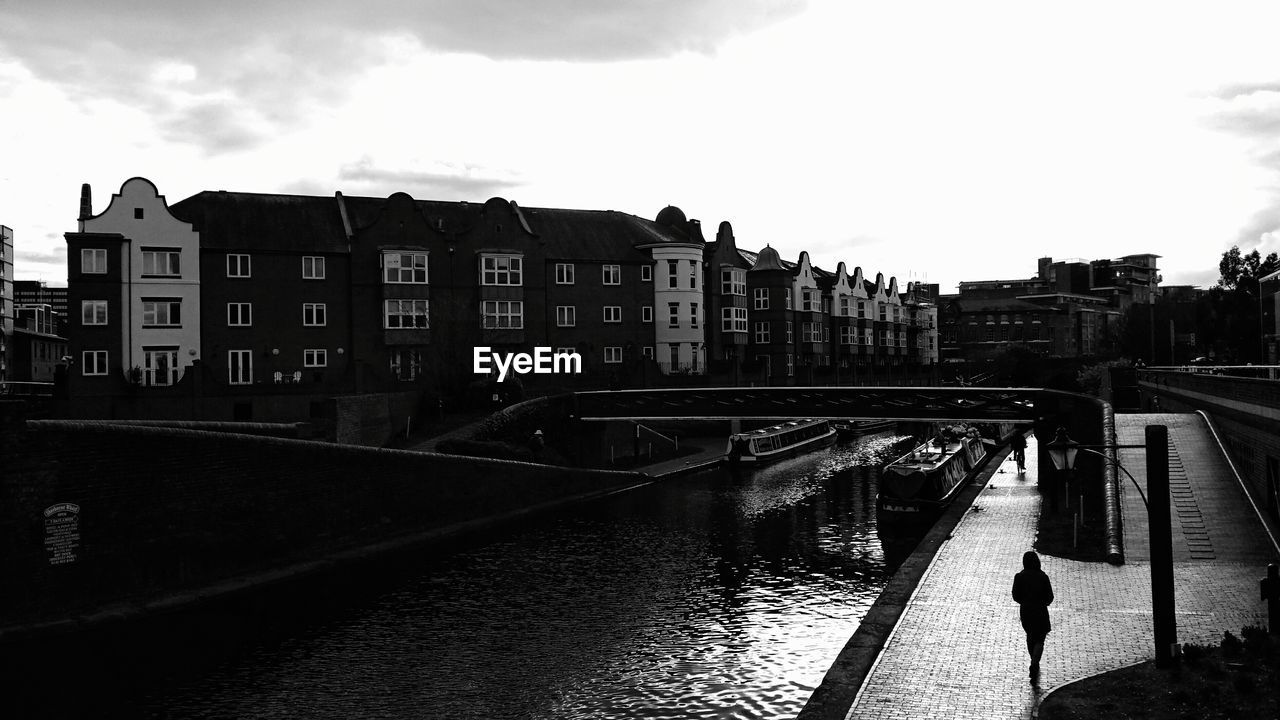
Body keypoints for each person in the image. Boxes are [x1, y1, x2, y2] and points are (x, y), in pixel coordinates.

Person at [1012, 550, 1054, 680]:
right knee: (1040, 639)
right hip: (1040, 611)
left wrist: (1024, 602)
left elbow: (1015, 596)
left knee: (1030, 636)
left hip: (1026, 611)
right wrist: (1044, 602)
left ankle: (1034, 660)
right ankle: (1035, 663)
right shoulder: (1043, 577)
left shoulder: (1019, 576)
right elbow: (1050, 597)